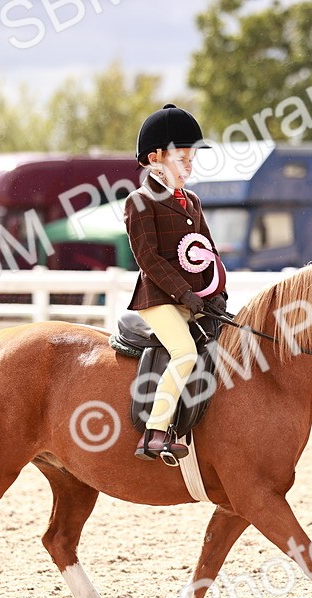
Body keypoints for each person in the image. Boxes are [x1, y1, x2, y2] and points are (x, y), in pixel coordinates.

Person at [125, 103, 227, 461]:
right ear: (155, 158)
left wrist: (217, 293)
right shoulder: (140, 202)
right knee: (184, 352)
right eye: (181, 159)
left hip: (194, 299)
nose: (189, 167)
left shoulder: (193, 202)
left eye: (191, 160)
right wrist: (183, 291)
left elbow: (207, 251)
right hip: (158, 299)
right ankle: (155, 433)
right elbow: (148, 258)